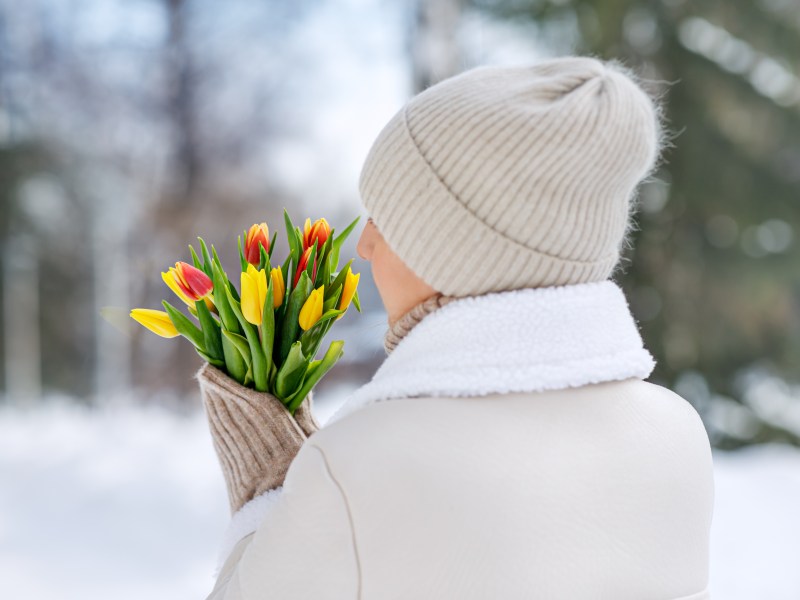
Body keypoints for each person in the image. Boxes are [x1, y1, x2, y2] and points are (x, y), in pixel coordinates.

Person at [201, 56, 715, 599]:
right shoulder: (676, 430)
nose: (366, 246)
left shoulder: (361, 464)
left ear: (454, 251)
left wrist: (271, 500)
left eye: (386, 221)